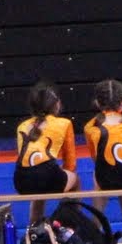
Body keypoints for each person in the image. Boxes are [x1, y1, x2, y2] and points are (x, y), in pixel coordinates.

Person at [13, 81, 80, 232]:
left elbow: (26, 160)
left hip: (21, 181)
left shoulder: (22, 126)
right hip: (47, 176)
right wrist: (64, 172)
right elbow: (70, 163)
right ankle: (68, 228)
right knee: (75, 181)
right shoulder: (64, 123)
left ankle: (33, 230)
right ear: (57, 104)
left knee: (38, 186)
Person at [85, 80, 122, 242]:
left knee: (102, 171)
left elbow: (95, 157)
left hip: (104, 179)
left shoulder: (90, 127)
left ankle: (95, 226)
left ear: (97, 103)